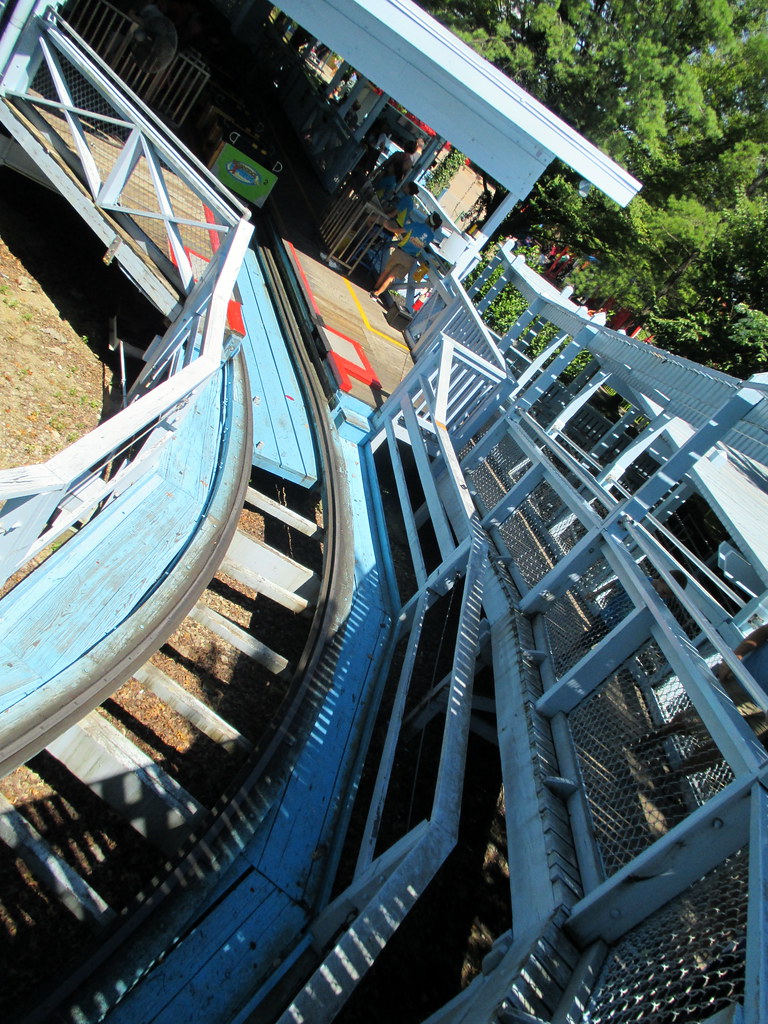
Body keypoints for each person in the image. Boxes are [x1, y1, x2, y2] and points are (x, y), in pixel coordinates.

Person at [369, 211, 442, 302]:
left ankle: (374, 288)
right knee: (391, 277)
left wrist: (387, 225)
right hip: (410, 258)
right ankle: (376, 294)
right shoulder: (431, 236)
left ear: (428, 219)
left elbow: (398, 231)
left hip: (401, 251)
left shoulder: (416, 225)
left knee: (386, 271)